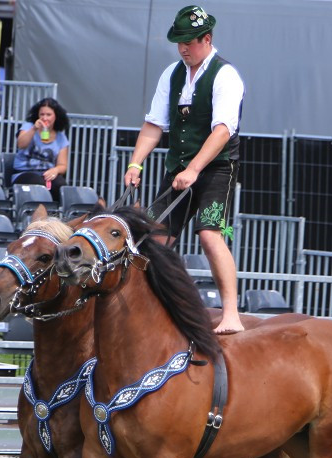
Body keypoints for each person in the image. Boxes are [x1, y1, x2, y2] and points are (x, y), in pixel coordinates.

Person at [125, 5, 245, 334]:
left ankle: (231, 313)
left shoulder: (225, 75)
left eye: (188, 42)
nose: (182, 49)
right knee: (153, 239)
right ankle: (149, 308)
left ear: (206, 39)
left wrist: (194, 169)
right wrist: (136, 162)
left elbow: (222, 131)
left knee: (209, 233)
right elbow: (154, 124)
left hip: (217, 168)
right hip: (179, 168)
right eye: (179, 42)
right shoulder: (172, 74)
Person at [12, 97, 70, 201]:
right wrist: (34, 129)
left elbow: (63, 165)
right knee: (38, 184)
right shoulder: (28, 126)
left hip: (46, 174)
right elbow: (21, 144)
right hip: (25, 172)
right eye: (42, 114)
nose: (45, 118)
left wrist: (55, 170)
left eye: (48, 115)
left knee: (60, 185)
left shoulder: (61, 137)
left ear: (56, 116)